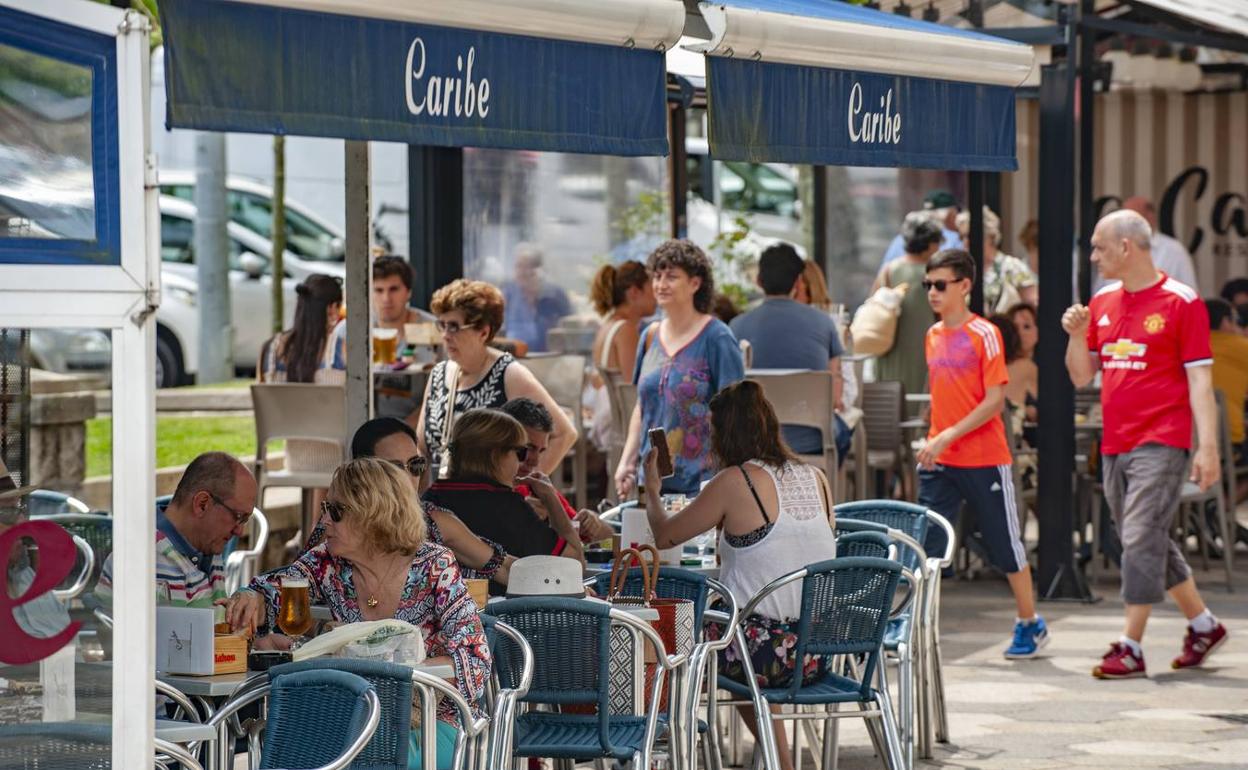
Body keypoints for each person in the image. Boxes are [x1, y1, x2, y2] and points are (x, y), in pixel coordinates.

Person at [221, 458, 489, 770]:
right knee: (296, 743)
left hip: (431, 723)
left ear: (372, 514)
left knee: (342, 753)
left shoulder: (434, 565)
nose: (324, 521)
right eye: (325, 508)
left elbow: (475, 659)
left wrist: (387, 670)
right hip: (355, 719)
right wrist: (251, 596)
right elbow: (276, 588)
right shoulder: (328, 563)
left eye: (336, 511)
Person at [1062, 209, 1227, 679]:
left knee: (1138, 536)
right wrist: (1076, 335)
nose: (1093, 257)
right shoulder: (1103, 301)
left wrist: (1207, 447)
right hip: (1115, 441)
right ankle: (1204, 625)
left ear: (1125, 247)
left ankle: (1130, 646)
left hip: (1163, 440)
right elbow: (1081, 376)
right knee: (1144, 535)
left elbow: (1200, 381)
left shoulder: (1182, 302)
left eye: (1098, 247)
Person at [640, 380, 835, 770]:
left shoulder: (735, 480)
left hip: (763, 655)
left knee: (678, 640)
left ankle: (661, 746)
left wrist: (652, 490)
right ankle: (781, 762)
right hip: (817, 650)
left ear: (725, 434)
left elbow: (664, 536)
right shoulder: (817, 477)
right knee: (742, 634)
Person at [917, 249, 1047, 659]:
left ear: (965, 286)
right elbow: (942, 394)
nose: (933, 292)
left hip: (984, 458)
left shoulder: (985, 334)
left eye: (941, 285)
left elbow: (994, 401)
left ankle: (1030, 622)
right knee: (926, 546)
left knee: (1005, 545)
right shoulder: (932, 335)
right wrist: (933, 436)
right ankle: (916, 624)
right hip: (940, 459)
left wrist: (945, 436)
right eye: (928, 285)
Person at [299, 418, 518, 589]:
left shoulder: (434, 521)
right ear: (363, 472)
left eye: (415, 464)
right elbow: (299, 585)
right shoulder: (338, 520)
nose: (407, 477)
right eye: (394, 468)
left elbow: (504, 568)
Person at [614, 239, 746, 498]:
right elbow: (641, 407)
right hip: (652, 483)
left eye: (672, 277)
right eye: (657, 276)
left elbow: (736, 414)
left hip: (703, 485)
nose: (661, 284)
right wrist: (626, 461)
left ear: (695, 283)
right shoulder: (649, 335)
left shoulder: (717, 337)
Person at [412, 278, 577, 477]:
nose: (445, 335)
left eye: (454, 327)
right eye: (442, 325)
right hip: (438, 492)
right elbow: (421, 449)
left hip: (486, 495)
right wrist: (414, 492)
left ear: (483, 332)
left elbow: (564, 434)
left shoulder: (508, 374)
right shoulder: (438, 374)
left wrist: (523, 487)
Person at [423, 409, 582, 592]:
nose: (524, 462)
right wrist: (549, 497)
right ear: (496, 455)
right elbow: (575, 563)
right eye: (521, 452)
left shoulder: (430, 500)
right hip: (505, 609)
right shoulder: (509, 507)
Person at [730, 242, 850, 464]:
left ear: (759, 281)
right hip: (813, 440)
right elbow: (834, 398)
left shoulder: (736, 327)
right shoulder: (824, 323)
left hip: (754, 441)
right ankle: (825, 484)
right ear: (797, 282)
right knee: (844, 434)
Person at [98, 452, 257, 608]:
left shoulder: (207, 545)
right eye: (238, 516)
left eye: (245, 519)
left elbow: (214, 622)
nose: (239, 531)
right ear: (202, 504)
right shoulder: (145, 561)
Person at [258, 274, 345, 507]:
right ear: (332, 308)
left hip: (294, 459)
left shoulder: (271, 349)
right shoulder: (341, 348)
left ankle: (312, 527)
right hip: (339, 460)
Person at [499, 398, 615, 544]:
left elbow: (609, 537)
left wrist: (594, 523)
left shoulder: (535, 487)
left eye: (541, 451)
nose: (535, 461)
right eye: (528, 448)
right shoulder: (483, 488)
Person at [874, 213, 943, 409]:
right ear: (930, 244)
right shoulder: (933, 274)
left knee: (893, 404)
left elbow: (874, 303)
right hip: (924, 347)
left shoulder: (889, 270)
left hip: (891, 346)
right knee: (920, 399)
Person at [586, 261, 655, 449]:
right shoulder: (626, 330)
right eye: (651, 287)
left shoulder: (608, 325)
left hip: (609, 424)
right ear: (634, 292)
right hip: (622, 428)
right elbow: (633, 388)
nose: (657, 294)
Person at [1, 462, 72, 640]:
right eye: (7, 513)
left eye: (20, 510)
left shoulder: (24, 575)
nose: (22, 522)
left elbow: (66, 640)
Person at [1204, 299, 1248, 528]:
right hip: (1226, 441)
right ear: (1224, 322)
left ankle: (1207, 509)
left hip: (1184, 441)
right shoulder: (1241, 347)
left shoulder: (1183, 346)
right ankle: (1219, 508)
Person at [955, 206, 1037, 313]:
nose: (965, 242)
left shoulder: (1012, 267)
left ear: (990, 236)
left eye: (970, 236)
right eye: (962, 237)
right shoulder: (962, 271)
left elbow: (1032, 304)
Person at [502, 243, 572, 353]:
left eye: (527, 267)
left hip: (550, 357)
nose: (522, 272)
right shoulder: (508, 294)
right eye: (518, 266)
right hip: (514, 357)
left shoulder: (555, 295)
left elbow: (570, 326)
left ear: (539, 270)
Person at [1120, 196, 1199, 290]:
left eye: (1130, 218)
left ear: (1150, 216)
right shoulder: (1114, 248)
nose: (1124, 223)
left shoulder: (1174, 250)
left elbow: (1190, 291)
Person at [879, 190, 963, 268]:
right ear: (949, 214)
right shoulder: (954, 239)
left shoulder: (901, 238)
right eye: (957, 211)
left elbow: (885, 271)